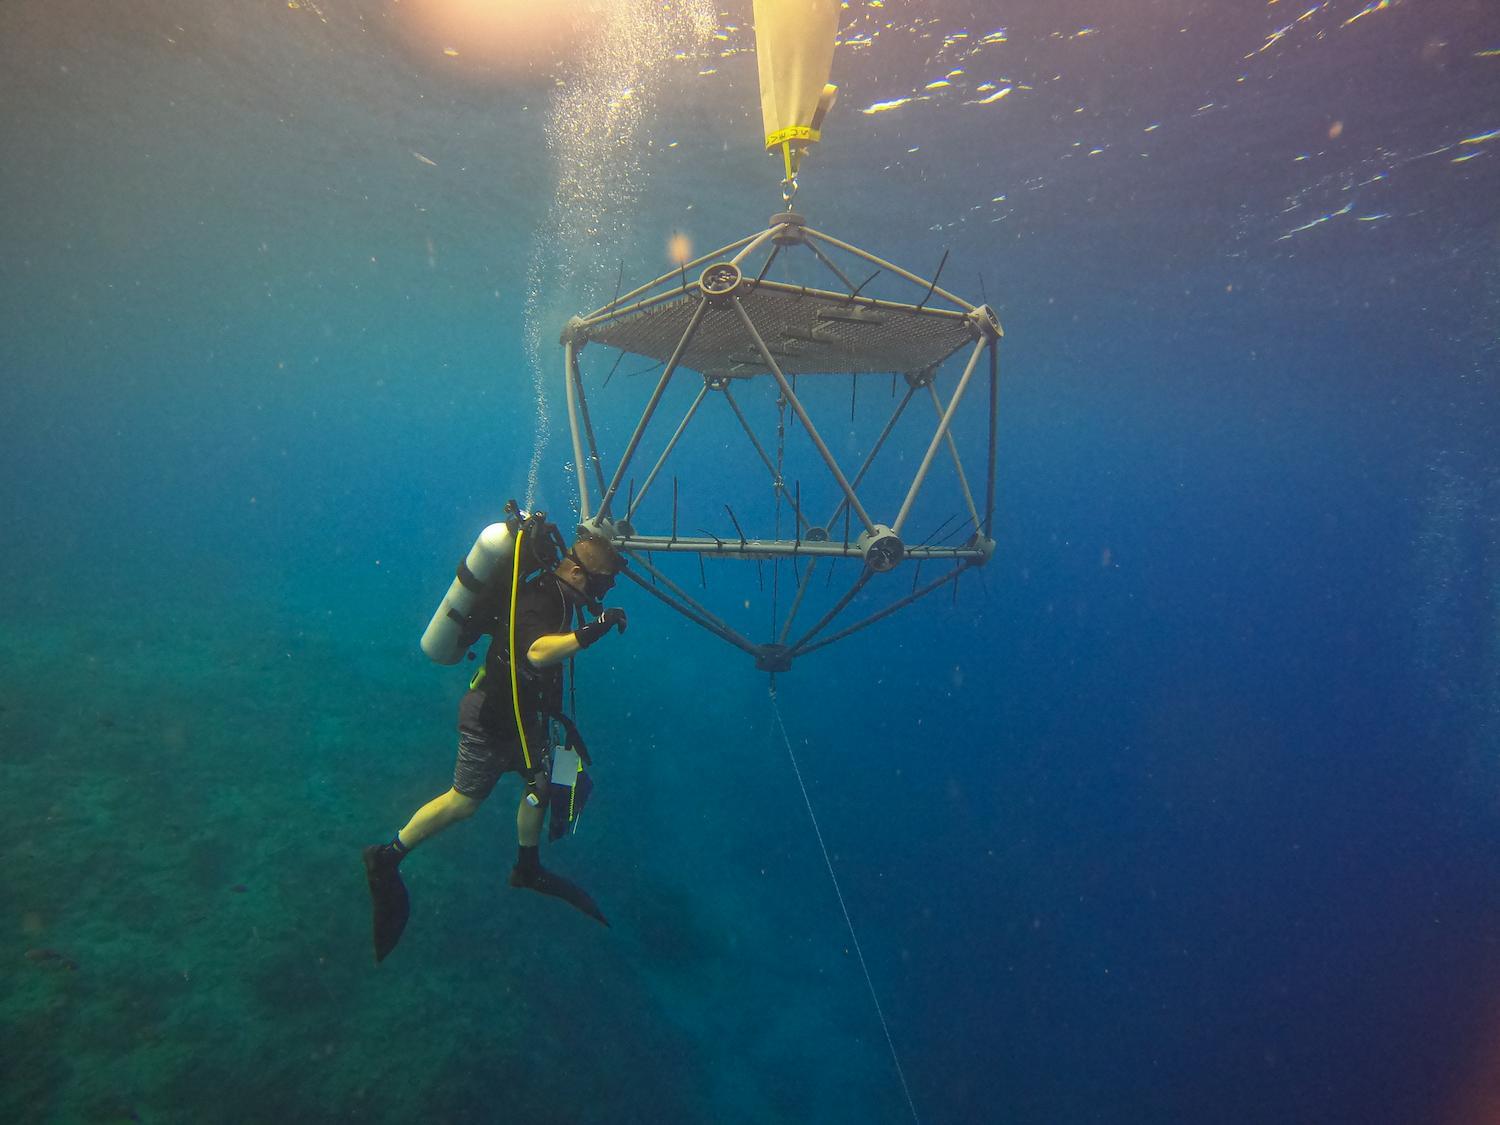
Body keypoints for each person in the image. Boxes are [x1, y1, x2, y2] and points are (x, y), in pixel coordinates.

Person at [363, 527, 628, 962]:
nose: (601, 592)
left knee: (542, 785)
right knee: (464, 802)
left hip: (525, 718)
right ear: (578, 574)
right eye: (601, 583)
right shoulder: (540, 598)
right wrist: (595, 629)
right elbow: (538, 653)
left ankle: (527, 867)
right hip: (491, 717)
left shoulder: (561, 599)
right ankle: (385, 857)